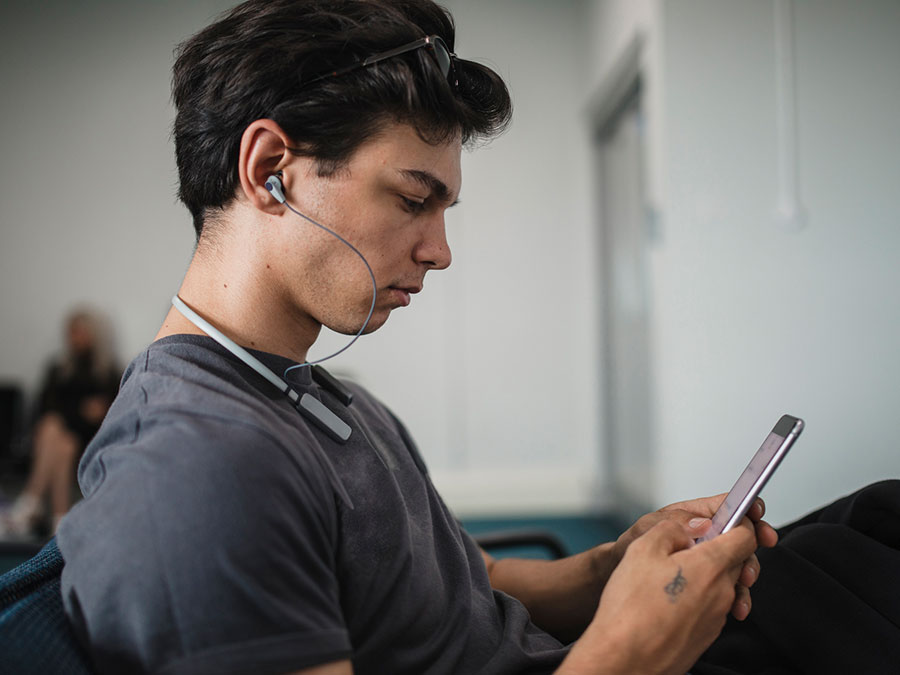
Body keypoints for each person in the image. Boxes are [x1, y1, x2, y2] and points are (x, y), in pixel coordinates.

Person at [56, 1, 900, 674]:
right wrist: (631, 650)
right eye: (412, 198)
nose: (440, 250)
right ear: (271, 167)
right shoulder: (194, 472)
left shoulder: (320, 399)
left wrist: (610, 568)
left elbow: (462, 586)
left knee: (878, 520)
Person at [0, 308, 119, 536]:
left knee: (58, 434)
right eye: (71, 332)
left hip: (87, 444)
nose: (74, 338)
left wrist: (78, 414)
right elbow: (43, 410)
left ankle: (31, 503)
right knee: (56, 433)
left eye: (80, 332)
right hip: (56, 440)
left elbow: (106, 421)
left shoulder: (108, 374)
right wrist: (81, 411)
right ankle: (59, 520)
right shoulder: (58, 369)